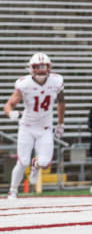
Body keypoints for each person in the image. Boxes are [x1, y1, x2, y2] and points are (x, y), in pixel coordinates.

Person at [4, 53, 65, 199]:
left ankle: (35, 164)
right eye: (38, 67)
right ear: (32, 68)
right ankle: (13, 190)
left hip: (45, 128)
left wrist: (61, 124)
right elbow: (9, 104)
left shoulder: (56, 81)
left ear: (49, 67)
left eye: (44, 67)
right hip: (27, 126)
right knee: (22, 161)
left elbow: (61, 103)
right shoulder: (24, 84)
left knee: (44, 163)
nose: (42, 70)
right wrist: (10, 113)